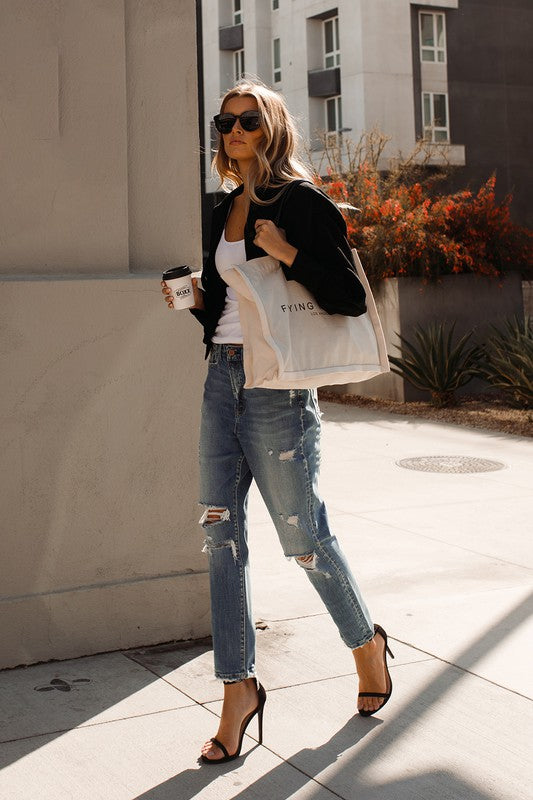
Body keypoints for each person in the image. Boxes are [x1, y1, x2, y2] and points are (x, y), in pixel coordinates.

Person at [161, 80, 394, 764]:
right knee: (219, 538)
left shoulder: (299, 202)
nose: (233, 131)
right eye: (225, 121)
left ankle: (366, 644)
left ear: (272, 130)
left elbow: (350, 297)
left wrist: (284, 248)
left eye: (247, 121)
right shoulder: (220, 209)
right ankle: (238, 689)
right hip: (221, 380)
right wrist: (193, 298)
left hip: (278, 393)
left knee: (304, 540)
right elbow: (227, 312)